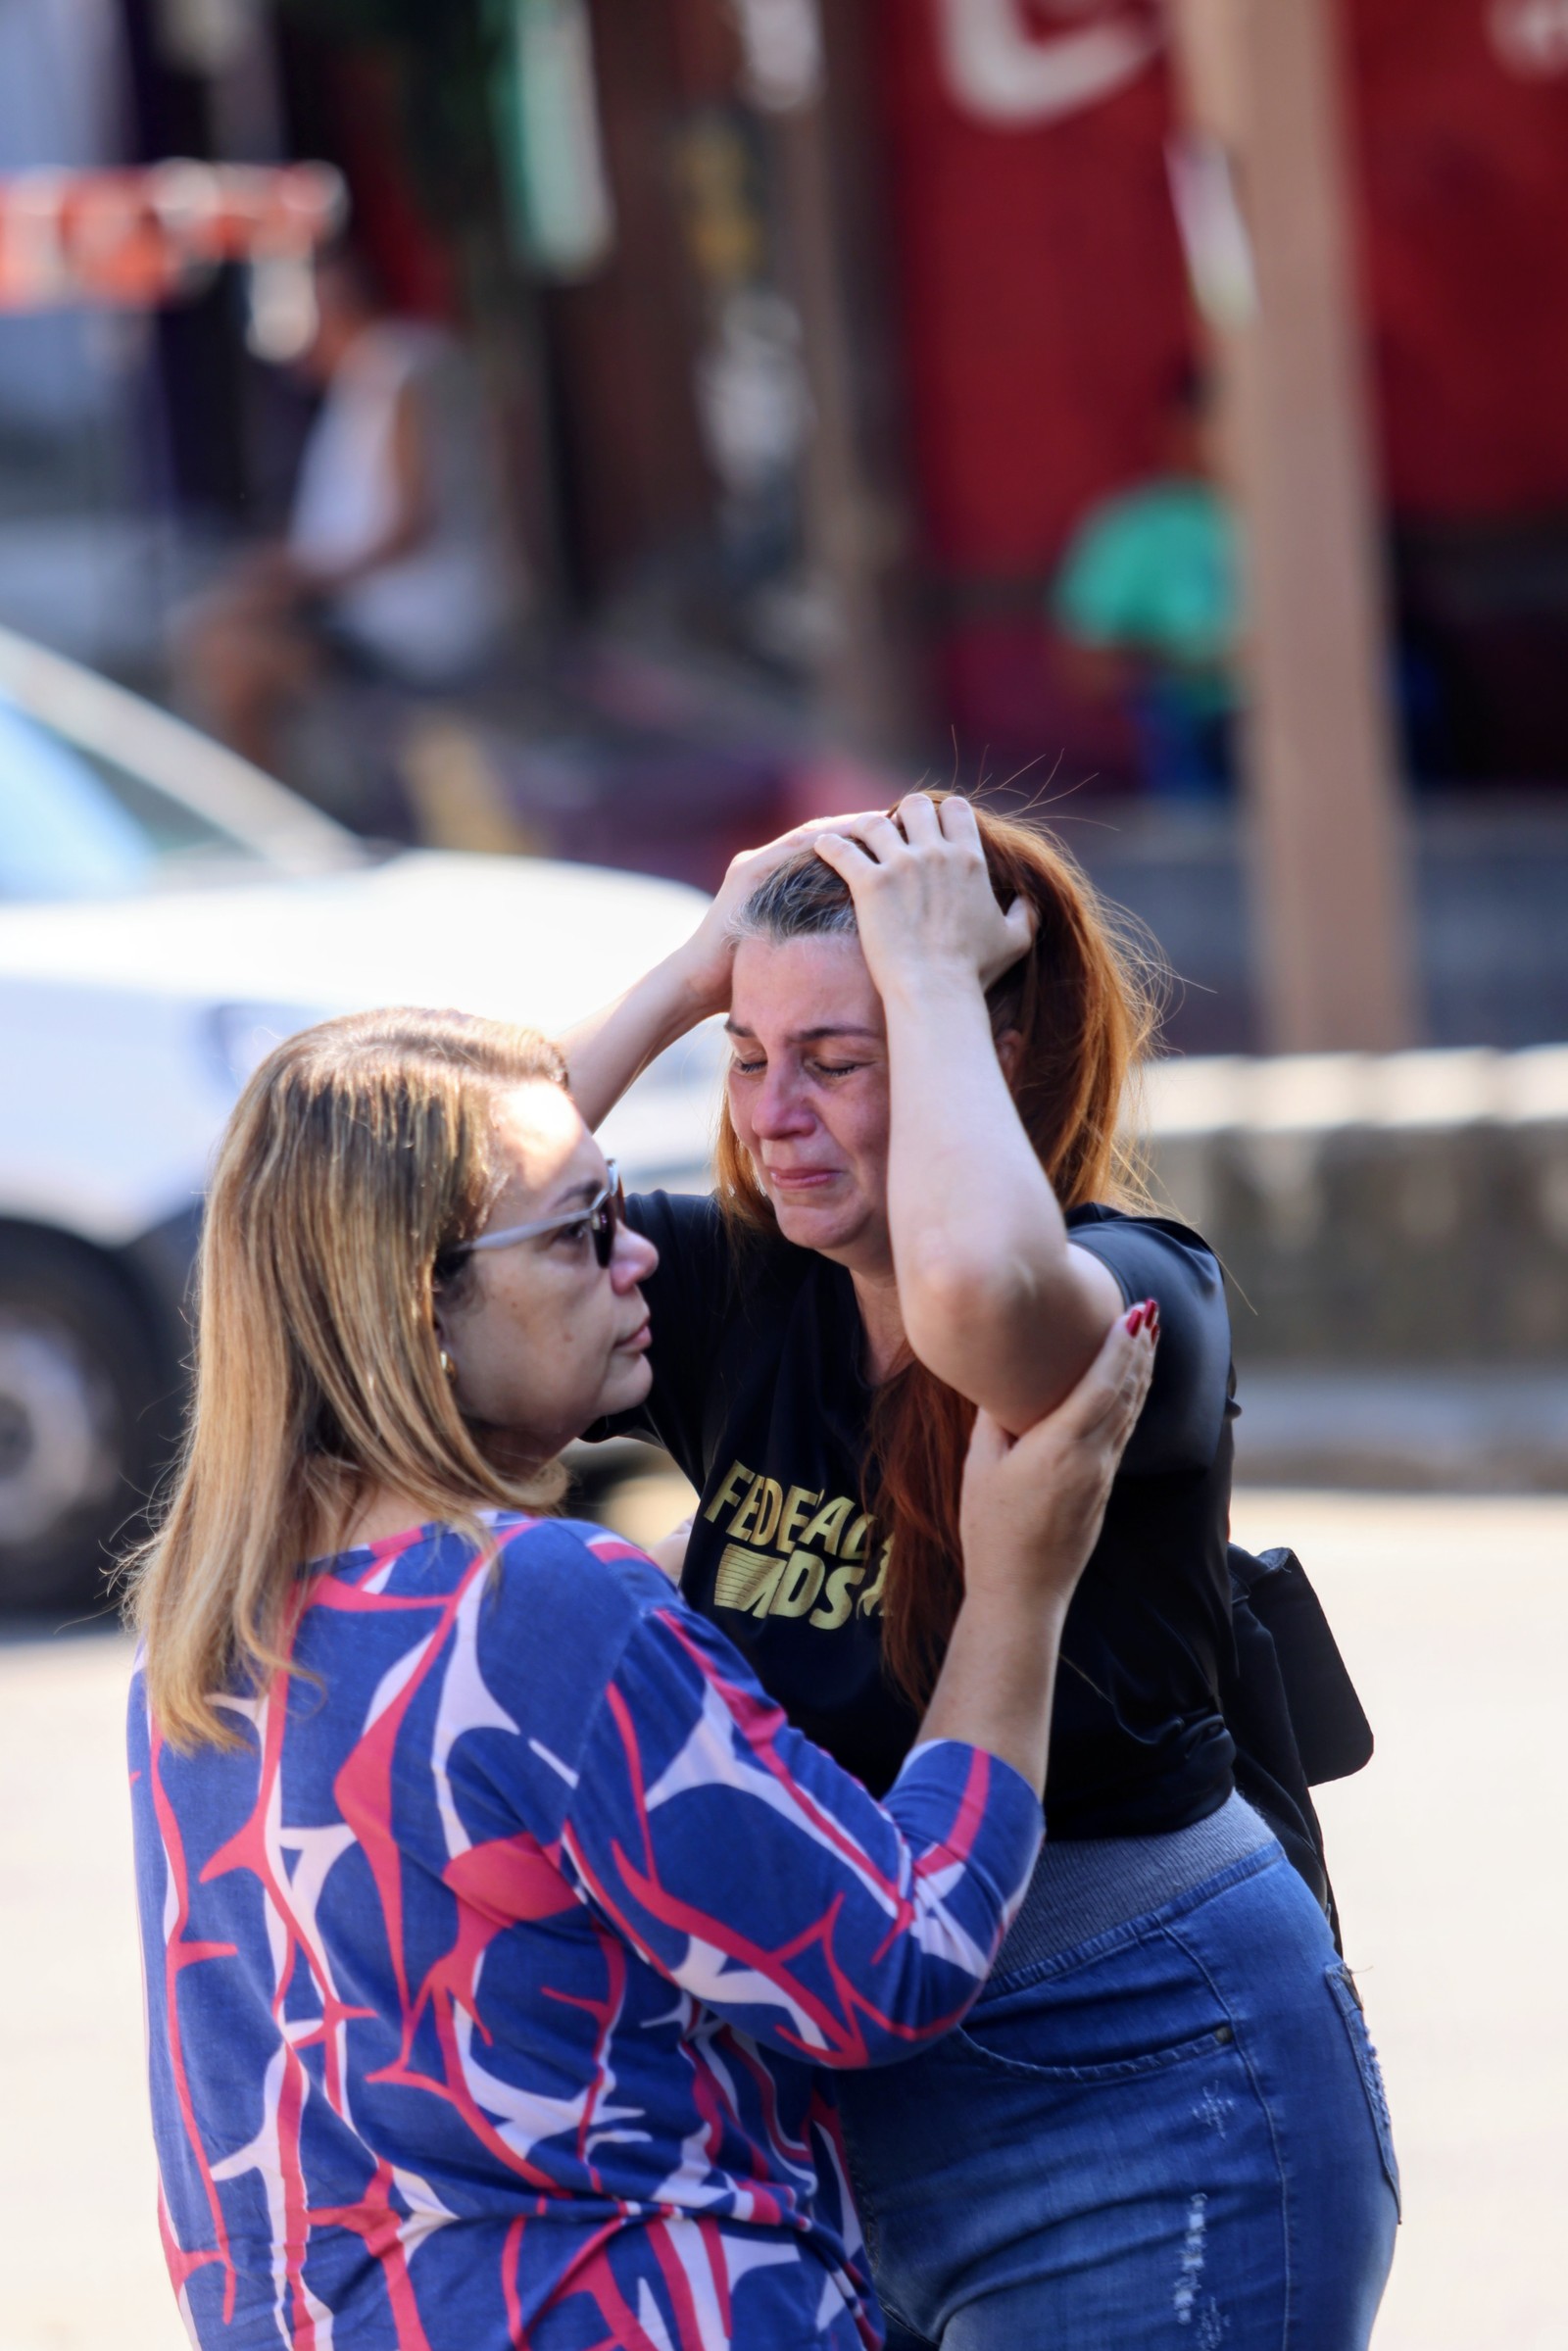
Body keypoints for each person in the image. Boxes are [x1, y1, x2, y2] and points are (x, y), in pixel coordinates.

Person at [125, 1005, 1155, 2351]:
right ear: (410, 1307)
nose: (641, 1253)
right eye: (581, 1231)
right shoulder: (540, 1609)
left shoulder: (202, 1644)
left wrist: (694, 974)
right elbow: (894, 1958)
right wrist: (1021, 1584)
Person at [564, 793, 1400, 2348]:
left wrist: (936, 978)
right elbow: (397, 1257)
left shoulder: (1140, 1283)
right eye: (749, 1059)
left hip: (1148, 2084)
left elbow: (971, 1293)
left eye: (839, 1058)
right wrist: (696, 967)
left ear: (982, 1052)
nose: (769, 1115)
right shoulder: (746, 1294)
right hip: (825, 2111)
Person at [179, 246, 514, 776]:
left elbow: (409, 525)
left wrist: (299, 577)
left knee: (231, 658)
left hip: (419, 627)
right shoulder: (371, 377)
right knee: (215, 625)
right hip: (376, 611)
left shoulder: (405, 371)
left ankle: (281, 822)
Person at [1053, 367, 1242, 799]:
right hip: (1203, 718)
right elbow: (1086, 666)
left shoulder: (1310, 514)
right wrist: (1199, 661)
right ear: (1176, 429)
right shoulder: (1134, 529)